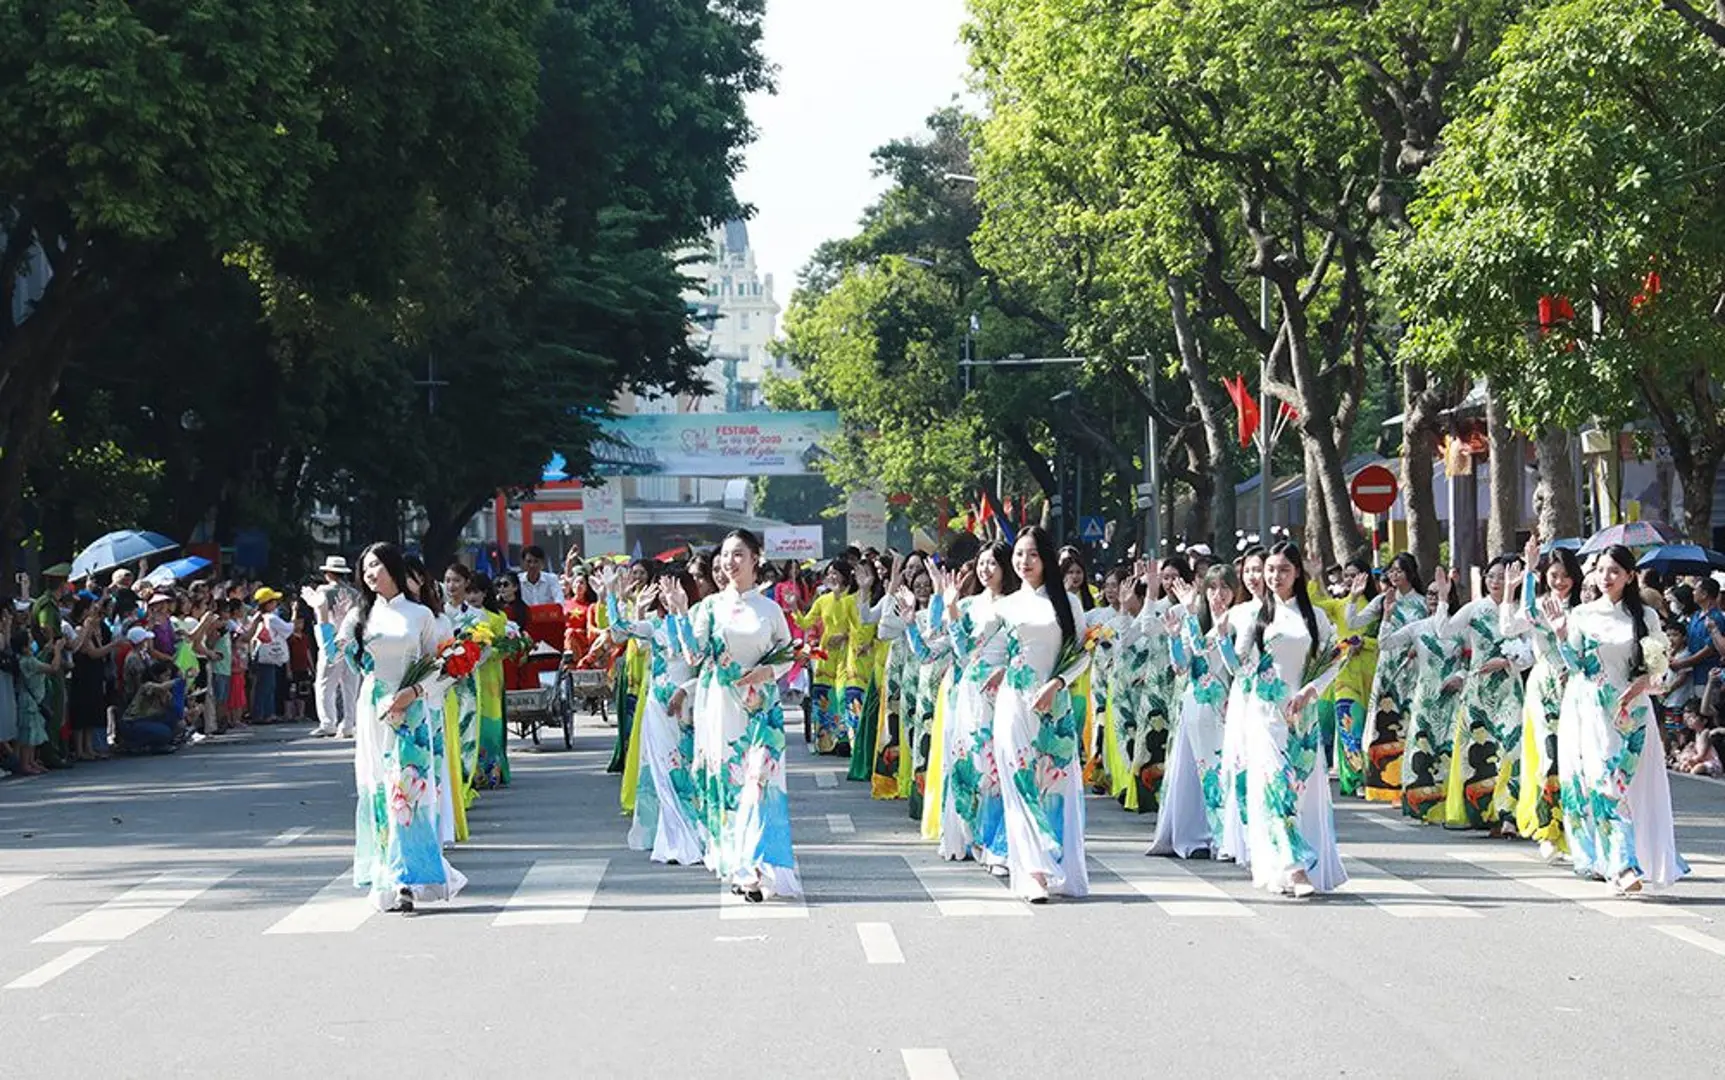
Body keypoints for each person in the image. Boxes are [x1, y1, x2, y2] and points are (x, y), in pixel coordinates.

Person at [317, 541, 466, 913]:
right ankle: (389, 876)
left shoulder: (420, 616)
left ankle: (410, 876)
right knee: (381, 788)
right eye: (365, 567)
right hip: (374, 708)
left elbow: (444, 668)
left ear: (394, 569)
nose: (370, 573)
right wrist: (322, 617)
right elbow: (336, 657)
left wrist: (414, 692)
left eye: (377, 566)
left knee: (408, 789)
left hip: (412, 713)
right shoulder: (358, 617)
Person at [943, 526, 1090, 903]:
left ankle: (1056, 863)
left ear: (1045, 558)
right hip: (1013, 704)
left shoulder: (1066, 602)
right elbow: (970, 649)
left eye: (1032, 555)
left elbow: (1083, 653)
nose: (1024, 562)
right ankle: (1033, 874)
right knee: (1020, 784)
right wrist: (951, 609)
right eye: (1019, 555)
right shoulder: (1005, 606)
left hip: (1053, 705)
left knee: (1055, 786)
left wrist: (1057, 683)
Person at [1549, 544, 1688, 895]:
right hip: (1592, 711)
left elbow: (1659, 668)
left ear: (1629, 576)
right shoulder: (1582, 614)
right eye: (1601, 570)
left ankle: (1628, 859)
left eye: (1615, 571)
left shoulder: (1646, 616)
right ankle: (1622, 865)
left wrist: (1644, 682)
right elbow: (1577, 666)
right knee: (1605, 783)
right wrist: (1562, 634)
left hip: (1633, 714)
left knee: (1626, 786)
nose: (1606, 577)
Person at [680, 529, 800, 902]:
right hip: (722, 708)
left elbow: (790, 651)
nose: (730, 563)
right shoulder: (710, 608)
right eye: (725, 556)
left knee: (760, 783)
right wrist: (680, 614)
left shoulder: (770, 609)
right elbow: (693, 657)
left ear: (755, 559)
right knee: (732, 786)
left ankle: (761, 862)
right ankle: (743, 868)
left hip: (762, 709)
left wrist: (769, 673)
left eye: (738, 555)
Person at [1234, 542, 1350, 898]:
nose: (1274, 576)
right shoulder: (1256, 616)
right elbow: (1242, 662)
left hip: (1303, 714)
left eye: (1283, 569)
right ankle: (1294, 867)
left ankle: (1302, 862)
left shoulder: (1314, 616)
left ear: (1297, 572)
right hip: (1266, 713)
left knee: (1301, 790)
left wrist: (1311, 690)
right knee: (1276, 787)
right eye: (1270, 569)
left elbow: (1335, 659)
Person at [606, 568, 703, 865]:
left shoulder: (696, 621)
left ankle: (690, 835)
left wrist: (681, 612)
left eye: (672, 588)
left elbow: (696, 658)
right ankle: (663, 836)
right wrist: (612, 595)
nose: (665, 594)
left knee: (683, 771)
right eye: (662, 589)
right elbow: (619, 632)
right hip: (656, 707)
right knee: (658, 771)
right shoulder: (654, 625)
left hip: (685, 707)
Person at [1150, 564, 1241, 858]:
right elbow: (1182, 666)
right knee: (1205, 770)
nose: (1218, 595)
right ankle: (1208, 836)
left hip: (1228, 702)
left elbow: (1234, 664)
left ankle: (1227, 836)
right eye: (1212, 588)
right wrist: (1175, 636)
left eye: (1225, 588)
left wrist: (1190, 616)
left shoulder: (1239, 621)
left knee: (1226, 769)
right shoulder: (1196, 621)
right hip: (1198, 704)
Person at [1500, 536, 1582, 858]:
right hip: (1545, 685)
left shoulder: (1582, 610)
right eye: (1553, 575)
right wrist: (1518, 582)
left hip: (1576, 685)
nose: (1558, 581)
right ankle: (1549, 829)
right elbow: (1508, 627)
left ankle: (1578, 829)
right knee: (1548, 757)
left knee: (1575, 758)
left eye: (1564, 576)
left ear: (1574, 577)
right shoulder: (1538, 606)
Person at [1437, 554, 1529, 834]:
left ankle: (1509, 814)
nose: (1496, 581)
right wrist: (1443, 598)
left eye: (1502, 576)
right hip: (1477, 690)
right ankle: (1482, 813)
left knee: (1511, 748)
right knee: (1475, 751)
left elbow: (1533, 652)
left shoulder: (1522, 611)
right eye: (1491, 576)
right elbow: (1443, 631)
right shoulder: (1474, 609)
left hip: (1508, 689)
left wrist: (1507, 662)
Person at [1353, 553, 1430, 804]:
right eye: (1392, 571)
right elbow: (1353, 622)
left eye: (1400, 570)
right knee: (1382, 724)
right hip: (1387, 668)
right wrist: (1354, 596)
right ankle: (1381, 783)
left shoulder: (1421, 602)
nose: (1395, 575)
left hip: (1412, 667)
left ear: (1411, 572)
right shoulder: (1383, 600)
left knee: (1407, 723)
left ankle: (1407, 782)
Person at [796, 559, 855, 755]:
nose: (831, 577)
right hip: (825, 654)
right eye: (829, 573)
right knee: (824, 697)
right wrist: (793, 607)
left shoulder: (854, 598)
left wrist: (845, 635)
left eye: (835, 573)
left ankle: (845, 740)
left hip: (847, 653)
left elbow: (860, 626)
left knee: (841, 695)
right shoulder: (822, 600)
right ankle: (826, 741)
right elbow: (805, 624)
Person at [312, 556, 361, 737]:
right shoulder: (355, 594)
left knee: (325, 685)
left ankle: (328, 722)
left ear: (328, 574)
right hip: (350, 642)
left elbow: (320, 617)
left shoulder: (322, 591)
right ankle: (349, 723)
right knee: (350, 685)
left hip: (330, 639)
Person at [66, 596, 117, 761]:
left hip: (95, 674)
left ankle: (89, 747)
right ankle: (80, 749)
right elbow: (91, 652)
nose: (96, 616)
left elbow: (99, 649)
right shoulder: (80, 629)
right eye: (93, 611)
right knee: (81, 712)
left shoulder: (97, 629)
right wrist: (113, 645)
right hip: (83, 674)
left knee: (92, 711)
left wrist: (98, 633)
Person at [249, 587, 292, 724]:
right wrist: (295, 614)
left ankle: (266, 713)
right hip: (267, 655)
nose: (276, 604)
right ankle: (262, 714)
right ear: (267, 603)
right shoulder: (271, 617)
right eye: (274, 601)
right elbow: (288, 629)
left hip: (261, 653)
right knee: (266, 685)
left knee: (266, 684)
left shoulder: (258, 616)